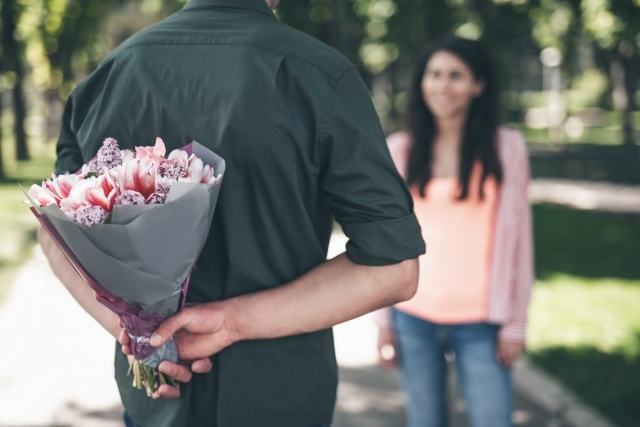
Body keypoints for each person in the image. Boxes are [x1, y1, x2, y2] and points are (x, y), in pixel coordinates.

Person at [37, 0, 426, 426]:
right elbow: (393, 267)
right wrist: (231, 324)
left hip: (157, 398)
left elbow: (56, 234)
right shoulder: (319, 76)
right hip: (278, 393)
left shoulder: (108, 76)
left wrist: (134, 329)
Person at [375, 37, 534, 427]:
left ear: (478, 85)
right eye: (434, 74)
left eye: (456, 75)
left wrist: (515, 324)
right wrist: (383, 322)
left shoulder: (507, 147)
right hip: (412, 316)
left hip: (482, 322)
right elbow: (383, 242)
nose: (442, 85)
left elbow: (519, 243)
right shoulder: (400, 151)